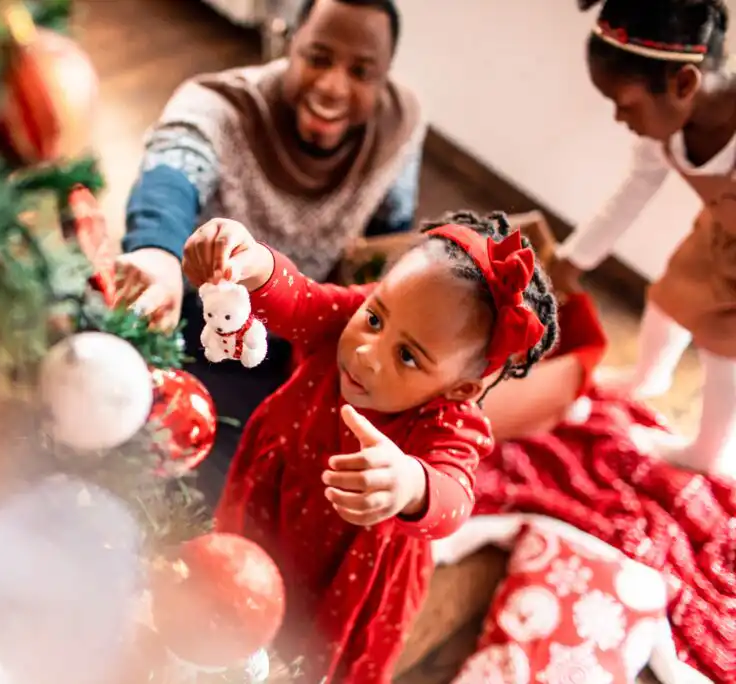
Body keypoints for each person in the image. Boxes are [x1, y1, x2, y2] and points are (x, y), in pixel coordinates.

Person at [182, 212, 559, 683]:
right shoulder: (352, 319)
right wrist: (250, 261)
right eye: (375, 317)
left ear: (460, 389)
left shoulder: (449, 420)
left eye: (407, 356)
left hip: (348, 570)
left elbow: (455, 498)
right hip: (271, 501)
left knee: (305, 660)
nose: (366, 352)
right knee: (232, 598)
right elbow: (299, 301)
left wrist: (410, 483)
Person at [114, 0, 425, 495]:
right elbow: (173, 167)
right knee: (125, 430)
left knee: (251, 479)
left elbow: (391, 230)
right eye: (318, 58)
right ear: (288, 46)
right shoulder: (219, 105)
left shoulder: (402, 123)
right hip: (193, 318)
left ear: (385, 77)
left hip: (296, 336)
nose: (332, 87)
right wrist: (157, 252)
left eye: (362, 72)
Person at [551, 0, 736, 476]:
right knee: (669, 299)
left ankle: (709, 451)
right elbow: (629, 196)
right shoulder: (666, 131)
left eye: (624, 104)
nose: (618, 118)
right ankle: (647, 378)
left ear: (683, 85)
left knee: (723, 349)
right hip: (721, 232)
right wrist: (573, 259)